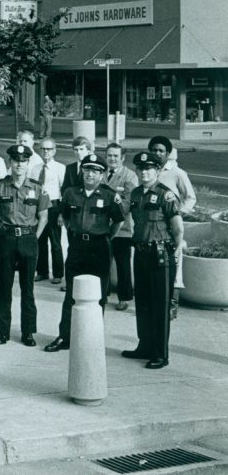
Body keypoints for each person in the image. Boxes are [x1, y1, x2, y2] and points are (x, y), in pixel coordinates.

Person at [44, 152, 127, 352]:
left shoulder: (109, 195)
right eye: (87, 170)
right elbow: (65, 215)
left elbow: (118, 221)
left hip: (99, 247)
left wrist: (105, 237)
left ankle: (92, 340)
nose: (90, 174)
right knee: (71, 294)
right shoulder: (71, 193)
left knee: (98, 296)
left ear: (102, 175)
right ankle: (65, 337)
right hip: (77, 247)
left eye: (96, 171)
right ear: (82, 171)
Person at [121, 152, 183, 370]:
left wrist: (170, 251)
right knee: (144, 303)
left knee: (160, 305)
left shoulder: (166, 196)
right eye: (140, 168)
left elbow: (178, 229)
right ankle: (144, 346)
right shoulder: (136, 194)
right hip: (140, 253)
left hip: (161, 256)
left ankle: (160, 353)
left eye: (149, 169)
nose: (144, 172)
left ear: (157, 171)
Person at [0, 145, 50, 347]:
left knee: (28, 290)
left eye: (23, 161)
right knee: (4, 288)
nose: (19, 165)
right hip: (6, 239)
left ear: (27, 163)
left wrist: (33, 237)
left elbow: (43, 216)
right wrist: (0, 233)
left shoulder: (37, 188)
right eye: (16, 161)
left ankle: (28, 332)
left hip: (27, 240)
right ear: (10, 163)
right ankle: (2, 331)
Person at [148, 135, 196, 319]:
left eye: (161, 151)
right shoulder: (146, 171)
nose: (157, 153)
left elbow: (190, 197)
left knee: (174, 265)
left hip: (171, 228)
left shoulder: (177, 173)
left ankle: (172, 305)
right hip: (152, 228)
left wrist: (178, 214)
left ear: (168, 154)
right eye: (153, 150)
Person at [104, 143, 139, 311]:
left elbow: (127, 202)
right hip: (101, 226)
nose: (112, 159)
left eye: (115, 156)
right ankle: (102, 293)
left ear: (122, 158)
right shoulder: (100, 172)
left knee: (122, 263)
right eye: (109, 155)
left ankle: (124, 297)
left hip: (122, 229)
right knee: (103, 261)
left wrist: (111, 215)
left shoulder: (129, 176)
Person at [33, 137, 66, 285]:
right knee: (40, 240)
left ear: (54, 151)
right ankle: (42, 271)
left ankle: (58, 273)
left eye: (49, 149)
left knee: (55, 242)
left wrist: (61, 213)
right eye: (43, 149)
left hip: (54, 206)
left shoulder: (60, 168)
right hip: (39, 206)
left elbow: (64, 192)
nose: (46, 152)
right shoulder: (35, 168)